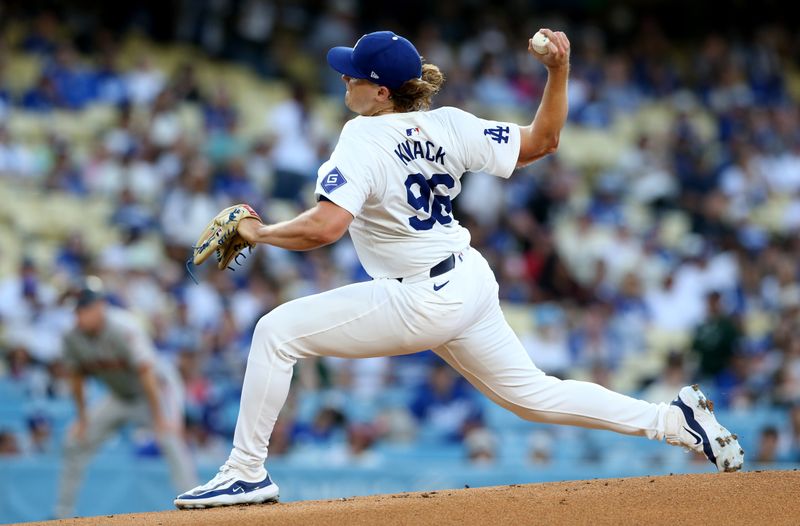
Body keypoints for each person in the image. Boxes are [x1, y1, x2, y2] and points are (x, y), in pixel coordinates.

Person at [174, 29, 743, 509]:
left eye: (353, 75)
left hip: (421, 296)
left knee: (275, 332)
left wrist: (261, 231)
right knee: (534, 396)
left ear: (380, 90)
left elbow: (326, 228)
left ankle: (246, 469)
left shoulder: (362, 134)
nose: (343, 80)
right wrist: (559, 71)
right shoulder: (448, 124)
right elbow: (544, 141)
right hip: (467, 279)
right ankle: (675, 421)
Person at [55, 277, 197, 518]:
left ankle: (195, 506)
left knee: (170, 438)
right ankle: (62, 514)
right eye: (77, 309)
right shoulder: (72, 337)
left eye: (85, 308)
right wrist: (82, 418)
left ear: (100, 306)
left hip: (156, 389)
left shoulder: (123, 326)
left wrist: (161, 416)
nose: (80, 315)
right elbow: (77, 380)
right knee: (74, 442)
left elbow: (147, 374)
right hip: (120, 396)